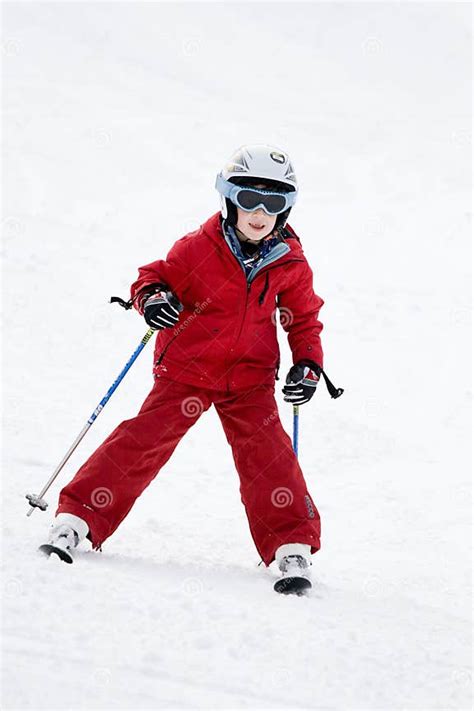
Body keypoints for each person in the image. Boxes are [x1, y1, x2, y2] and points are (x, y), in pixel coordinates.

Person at [39, 144, 342, 595]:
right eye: (249, 199)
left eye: (274, 203)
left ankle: (290, 544)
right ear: (228, 200)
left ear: (287, 208)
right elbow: (150, 276)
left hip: (249, 378)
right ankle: (79, 517)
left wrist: (308, 365)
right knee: (139, 442)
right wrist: (154, 299)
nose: (260, 213)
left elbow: (302, 318)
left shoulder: (290, 262)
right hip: (187, 369)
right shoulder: (199, 248)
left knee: (269, 458)